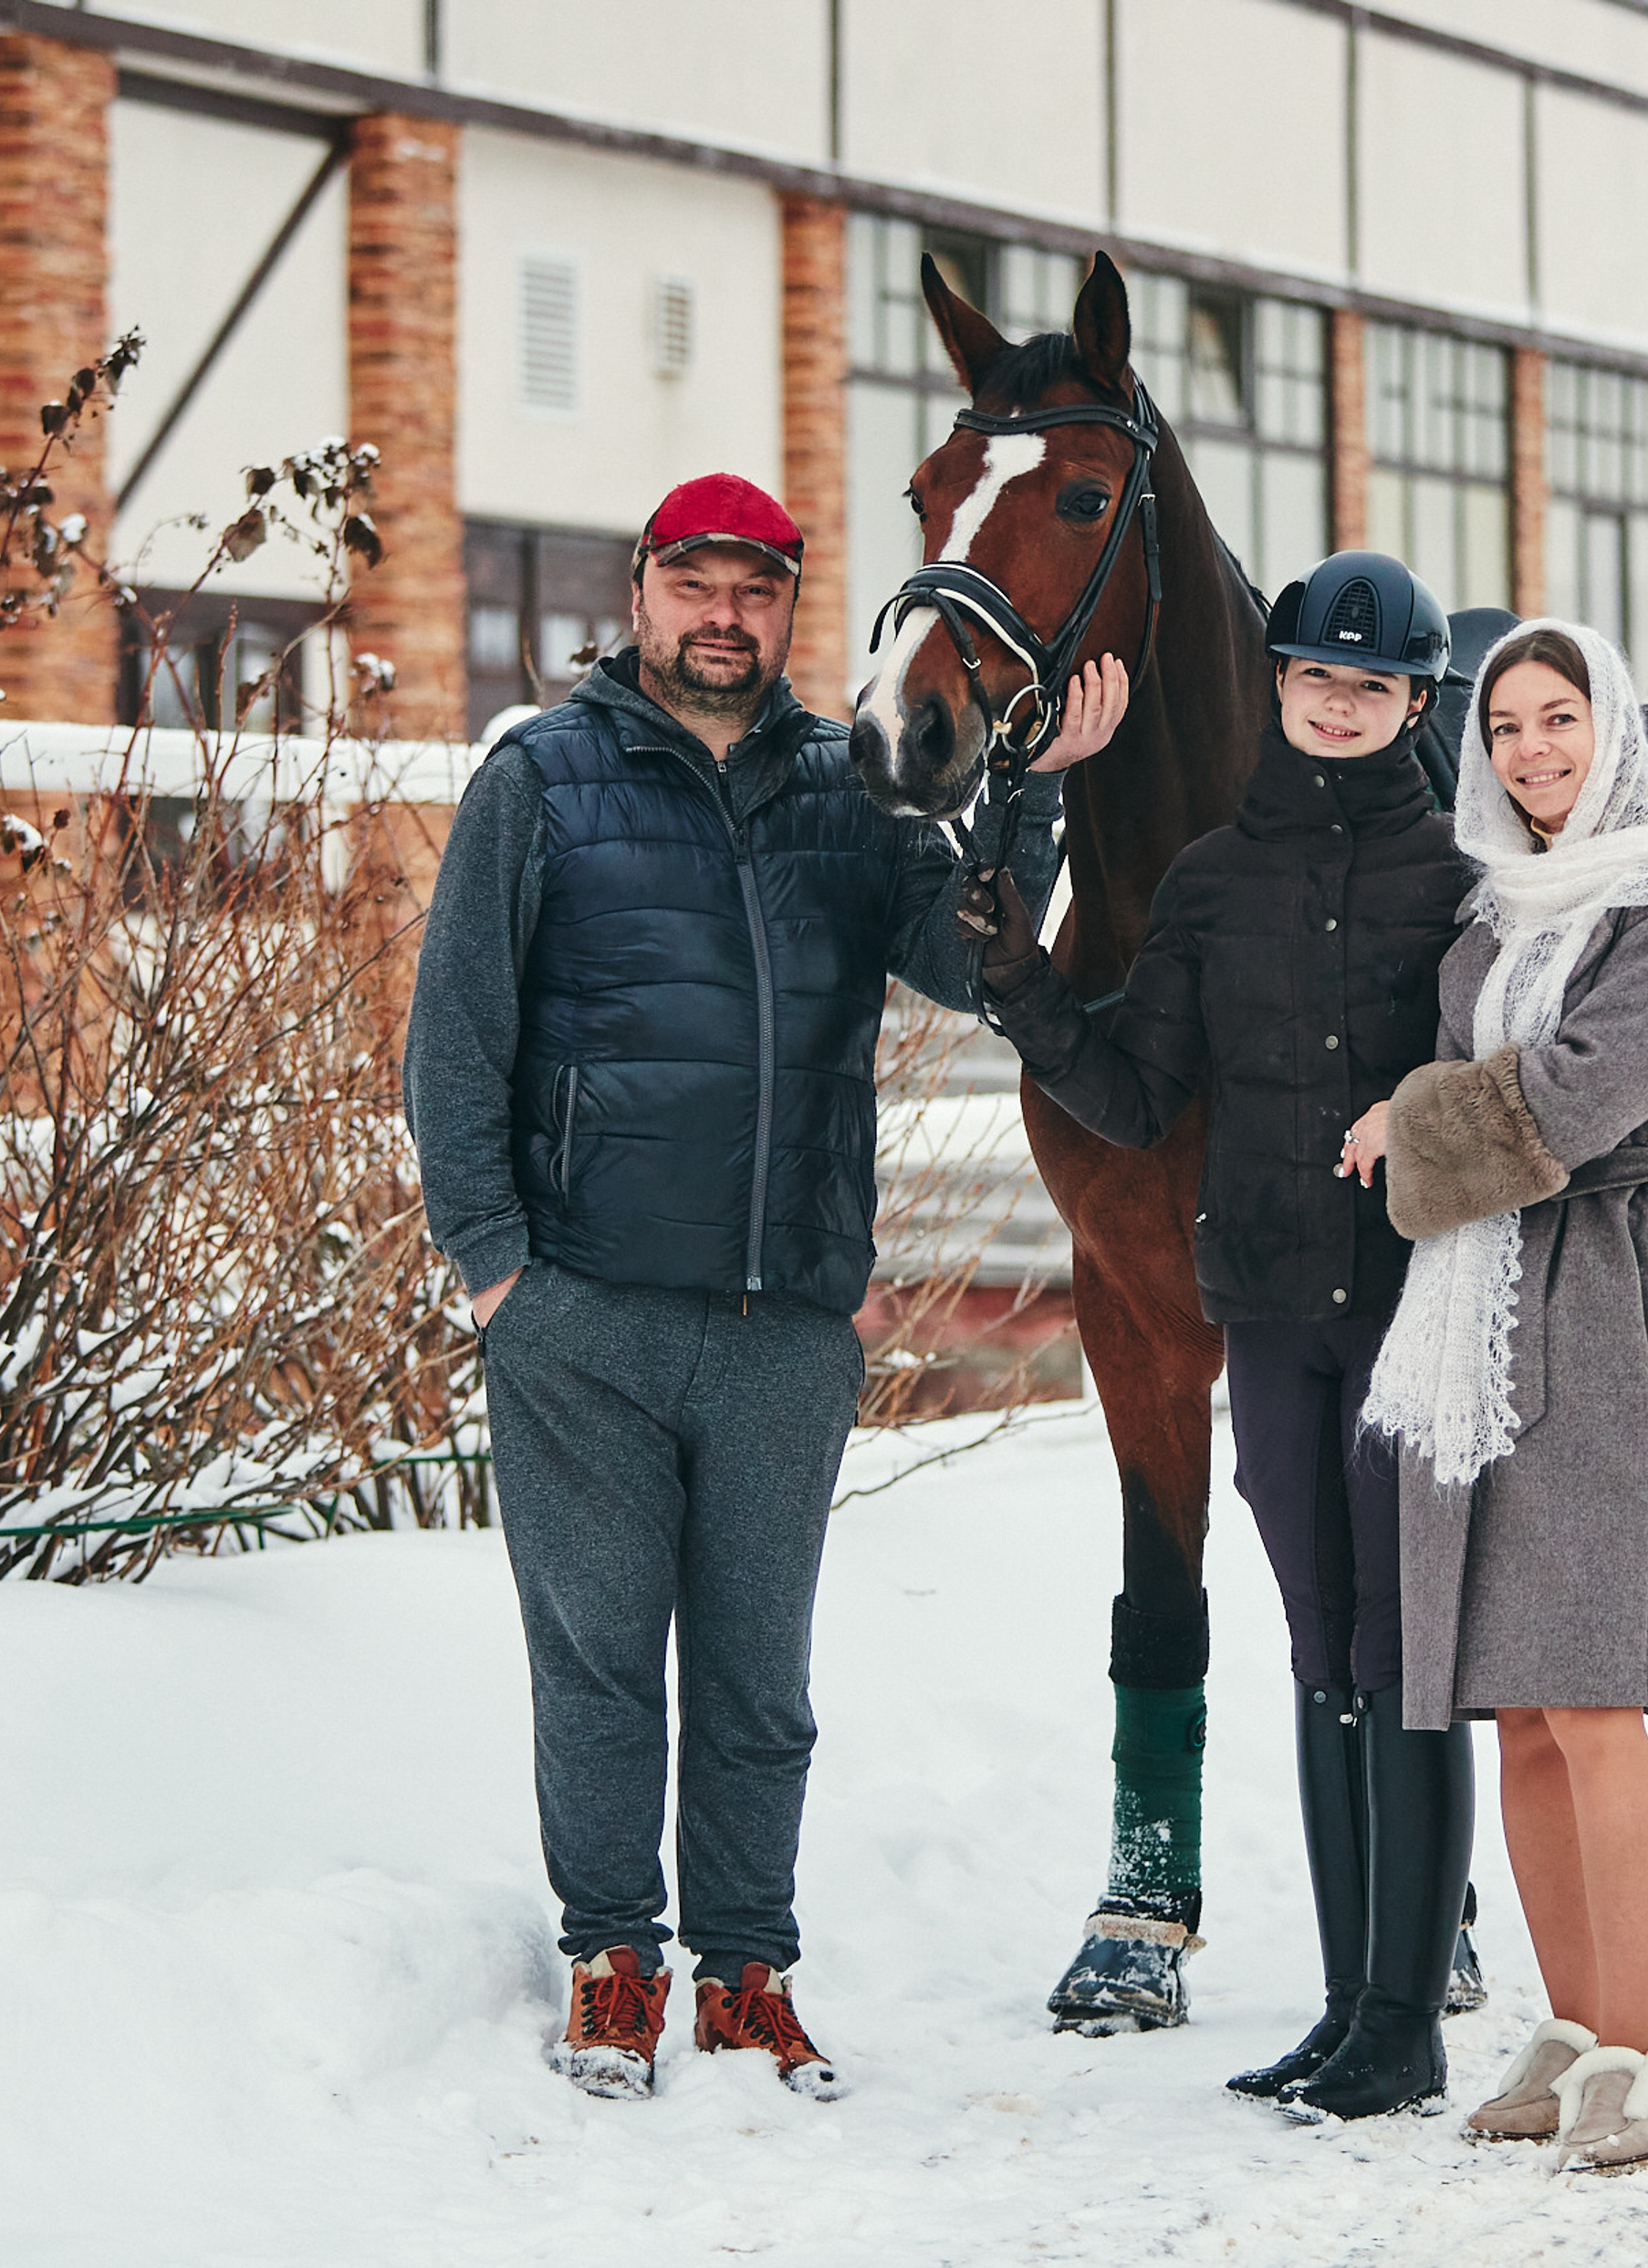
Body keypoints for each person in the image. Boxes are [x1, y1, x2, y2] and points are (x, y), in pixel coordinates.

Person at [404, 472, 1124, 2102]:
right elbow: (454, 1042)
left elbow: (965, 956)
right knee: (595, 1662)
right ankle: (612, 1962)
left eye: (757, 590)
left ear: (791, 608)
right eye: (696, 586)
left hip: (786, 1317)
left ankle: (746, 1971)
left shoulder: (840, 787)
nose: (724, 616)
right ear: (644, 591)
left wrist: (1031, 790)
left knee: (757, 1675)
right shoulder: (543, 777)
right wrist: (496, 1272)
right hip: (579, 1310)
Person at [958, 548, 1479, 2121]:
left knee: (1405, 1664)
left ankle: (1409, 2015)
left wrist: (1428, 1121)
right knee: (1324, 1657)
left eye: (1371, 686)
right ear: (1278, 687)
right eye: (1317, 678)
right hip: (1269, 1315)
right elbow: (1131, 1096)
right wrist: (1025, 988)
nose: (1338, 705)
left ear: (1410, 705)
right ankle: (1343, 2006)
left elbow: (1527, 1092)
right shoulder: (1209, 886)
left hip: (1409, 1318)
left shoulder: (1463, 889)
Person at [1351, 619, 1648, 2171]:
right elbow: (1480, 1082)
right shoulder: (1497, 914)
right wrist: (1433, 1125)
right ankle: (1570, 2027)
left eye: (1559, 719)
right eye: (1505, 728)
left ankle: (1640, 2057)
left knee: (1596, 1695)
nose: (1531, 751)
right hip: (1477, 1311)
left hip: (1606, 1298)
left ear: (1611, 727)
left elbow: (1579, 1096)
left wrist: (1399, 1127)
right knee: (1524, 1709)